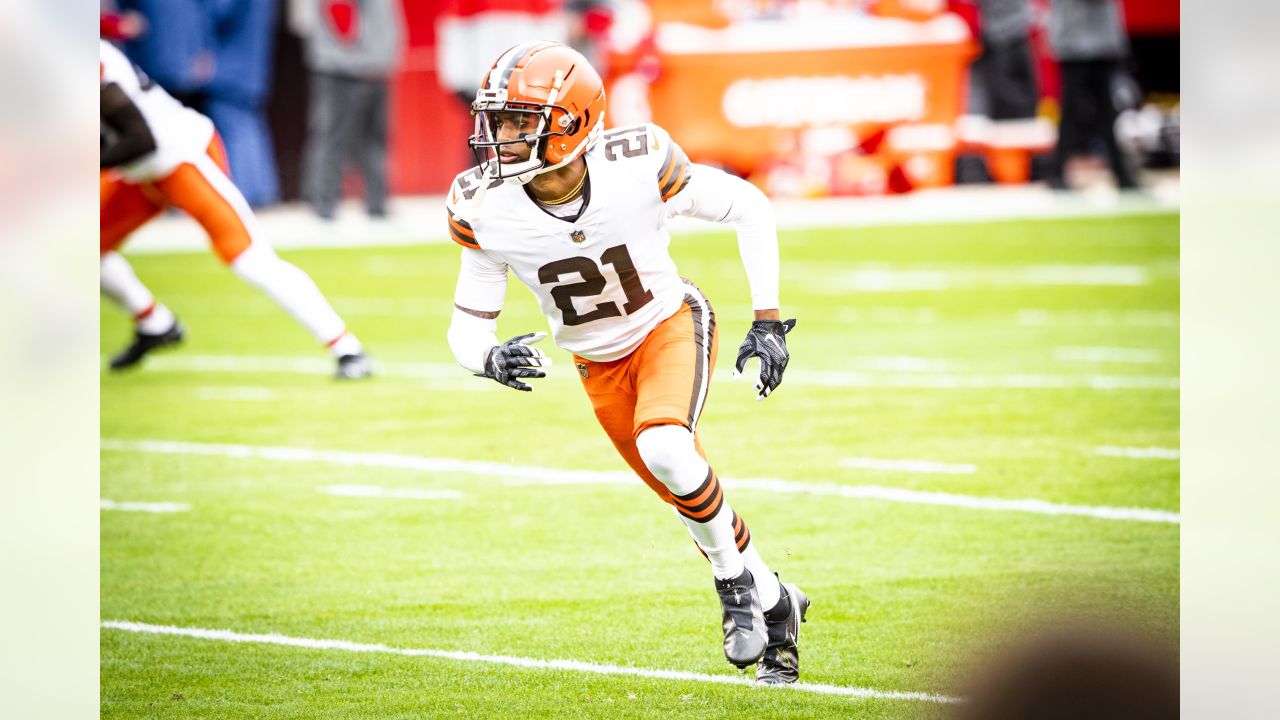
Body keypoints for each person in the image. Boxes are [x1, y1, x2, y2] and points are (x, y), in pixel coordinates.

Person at [445, 42, 807, 683]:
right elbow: (466, 326)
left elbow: (749, 206)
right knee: (687, 498)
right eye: (497, 121)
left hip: (668, 324)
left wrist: (769, 318)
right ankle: (777, 603)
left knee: (668, 447)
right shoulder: (483, 205)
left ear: (573, 123)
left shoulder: (636, 162)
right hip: (596, 364)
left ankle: (733, 591)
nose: (500, 137)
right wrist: (489, 357)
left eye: (519, 121)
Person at [100, 39, 372, 378]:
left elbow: (141, 139)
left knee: (248, 257)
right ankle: (155, 323)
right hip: (136, 173)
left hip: (179, 157)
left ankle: (347, 348)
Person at [296, 0, 405, 220]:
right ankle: (324, 201)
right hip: (342, 66)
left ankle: (377, 202)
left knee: (375, 138)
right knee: (332, 135)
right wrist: (359, 51)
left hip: (373, 66)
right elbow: (338, 10)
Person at [1044, 0, 1139, 190]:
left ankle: (1121, 173)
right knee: (1071, 113)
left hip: (1101, 44)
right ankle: (1057, 173)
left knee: (1107, 112)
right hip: (1075, 43)